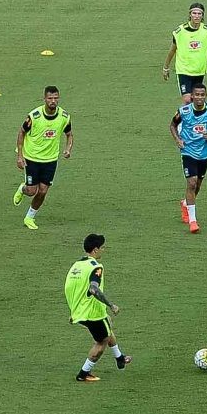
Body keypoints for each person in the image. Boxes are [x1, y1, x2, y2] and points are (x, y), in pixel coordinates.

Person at [65, 233, 130, 381]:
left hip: (80, 311)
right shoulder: (96, 267)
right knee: (101, 343)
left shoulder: (76, 266)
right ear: (95, 250)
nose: (103, 250)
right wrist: (111, 305)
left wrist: (74, 310)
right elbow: (94, 289)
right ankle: (83, 374)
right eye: (102, 248)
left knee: (107, 325)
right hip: (92, 314)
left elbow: (70, 288)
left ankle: (120, 358)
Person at [14, 86, 72, 229]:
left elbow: (69, 134)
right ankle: (23, 189)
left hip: (50, 160)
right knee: (32, 191)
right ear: (44, 99)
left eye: (56, 98)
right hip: (32, 159)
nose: (53, 101)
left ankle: (29, 217)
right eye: (50, 98)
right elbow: (21, 133)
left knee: (43, 191)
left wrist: (67, 149)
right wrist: (20, 156)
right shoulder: (34, 116)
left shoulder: (64, 117)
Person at [171, 83, 207, 233]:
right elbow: (172, 125)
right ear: (192, 96)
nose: (199, 98)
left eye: (202, 95)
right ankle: (193, 222)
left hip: (204, 152)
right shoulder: (184, 111)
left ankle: (185, 203)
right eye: (197, 95)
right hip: (188, 151)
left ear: (206, 96)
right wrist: (178, 140)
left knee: (198, 185)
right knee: (192, 183)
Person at [162, 3, 207, 101]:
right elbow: (172, 50)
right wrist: (166, 67)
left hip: (199, 70)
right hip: (184, 70)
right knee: (187, 99)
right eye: (194, 13)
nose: (196, 16)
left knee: (195, 100)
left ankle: (185, 116)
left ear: (202, 15)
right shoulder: (180, 32)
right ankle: (178, 116)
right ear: (190, 15)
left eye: (199, 14)